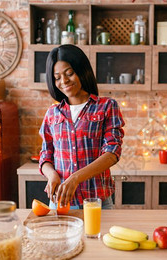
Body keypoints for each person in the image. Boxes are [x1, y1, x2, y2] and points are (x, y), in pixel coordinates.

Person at [39, 44, 125, 210]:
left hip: (96, 202)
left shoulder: (106, 106)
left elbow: (112, 152)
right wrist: (52, 175)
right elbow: (45, 155)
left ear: (81, 70)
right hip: (59, 203)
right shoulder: (52, 113)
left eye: (69, 73)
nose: (64, 81)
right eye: (57, 77)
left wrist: (75, 178)